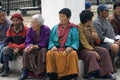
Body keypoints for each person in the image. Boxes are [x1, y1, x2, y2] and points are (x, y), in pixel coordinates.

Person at [78, 10, 116, 80]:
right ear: (88, 19)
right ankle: (89, 73)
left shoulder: (91, 27)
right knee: (91, 54)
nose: (92, 20)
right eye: (91, 18)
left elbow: (97, 41)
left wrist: (95, 37)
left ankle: (106, 72)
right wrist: (94, 51)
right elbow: (84, 43)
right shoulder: (79, 28)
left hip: (92, 47)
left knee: (104, 51)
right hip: (82, 49)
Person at [46, 8, 79, 80]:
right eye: (60, 16)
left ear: (68, 18)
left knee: (73, 54)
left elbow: (75, 41)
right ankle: (53, 75)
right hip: (57, 49)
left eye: (63, 16)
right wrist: (52, 46)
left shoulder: (73, 28)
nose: (60, 18)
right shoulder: (55, 28)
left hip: (67, 49)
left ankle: (70, 76)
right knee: (49, 53)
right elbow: (51, 40)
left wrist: (71, 47)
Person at [18, 14, 50, 80]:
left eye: (34, 22)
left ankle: (42, 72)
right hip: (33, 47)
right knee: (25, 51)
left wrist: (37, 46)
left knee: (43, 51)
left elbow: (46, 41)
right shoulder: (30, 30)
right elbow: (27, 40)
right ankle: (25, 71)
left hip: (42, 47)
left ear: (40, 23)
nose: (32, 24)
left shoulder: (46, 29)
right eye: (32, 22)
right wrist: (29, 46)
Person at [93, 4, 120, 72]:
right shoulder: (96, 22)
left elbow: (112, 33)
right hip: (102, 43)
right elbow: (101, 38)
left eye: (108, 11)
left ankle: (116, 63)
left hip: (111, 41)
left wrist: (116, 39)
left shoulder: (106, 20)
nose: (108, 12)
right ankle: (111, 65)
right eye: (106, 11)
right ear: (100, 12)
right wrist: (113, 42)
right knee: (115, 47)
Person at [0, 13, 28, 77]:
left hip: (23, 48)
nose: (15, 22)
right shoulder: (10, 29)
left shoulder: (26, 29)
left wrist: (19, 48)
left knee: (26, 52)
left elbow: (27, 42)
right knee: (5, 49)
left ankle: (25, 71)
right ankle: (6, 68)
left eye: (17, 20)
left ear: (21, 20)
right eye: (13, 20)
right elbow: (7, 41)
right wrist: (15, 47)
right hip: (13, 48)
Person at [0, 8, 11, 74]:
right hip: (1, 41)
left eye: (3, 16)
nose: (2, 18)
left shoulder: (8, 24)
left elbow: (8, 38)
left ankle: (5, 66)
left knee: (1, 48)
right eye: (0, 16)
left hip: (7, 42)